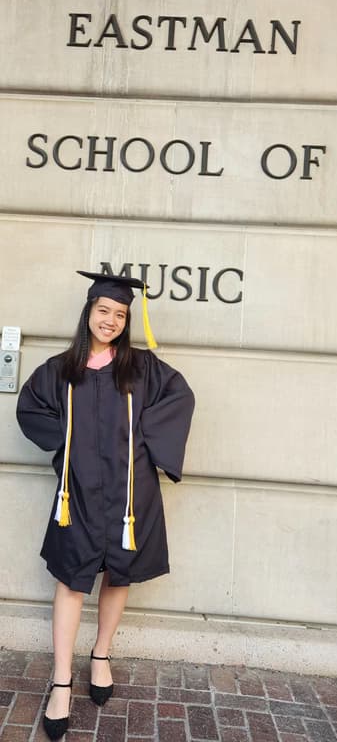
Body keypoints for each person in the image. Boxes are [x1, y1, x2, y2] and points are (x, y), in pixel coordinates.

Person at [16, 270, 195, 741]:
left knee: (120, 573)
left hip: (130, 494)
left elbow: (180, 398)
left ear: (126, 320)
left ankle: (101, 654)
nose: (111, 320)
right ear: (89, 312)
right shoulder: (59, 370)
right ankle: (61, 681)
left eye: (119, 314)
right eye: (103, 311)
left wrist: (146, 443)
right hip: (75, 494)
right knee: (71, 579)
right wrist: (68, 441)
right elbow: (30, 409)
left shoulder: (143, 368)